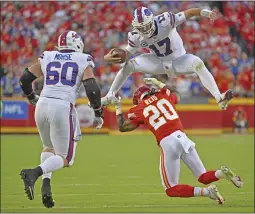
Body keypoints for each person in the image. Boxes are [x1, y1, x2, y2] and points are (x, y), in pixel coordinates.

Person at [110, 77, 243, 204]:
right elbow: (176, 94)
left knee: (171, 189)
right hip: (183, 138)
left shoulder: (139, 107)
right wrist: (160, 83)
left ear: (139, 99)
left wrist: (118, 107)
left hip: (167, 142)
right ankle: (222, 173)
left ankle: (207, 192)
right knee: (203, 176)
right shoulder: (164, 95)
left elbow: (123, 127)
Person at [19, 31, 104, 208]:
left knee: (48, 148)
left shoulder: (48, 56)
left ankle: (46, 185)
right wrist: (97, 111)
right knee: (65, 158)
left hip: (42, 104)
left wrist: (31, 97)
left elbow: (24, 79)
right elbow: (92, 88)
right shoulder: (83, 59)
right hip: (62, 106)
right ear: (78, 45)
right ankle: (34, 173)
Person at [103, 6, 233, 110]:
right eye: (140, 28)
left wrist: (206, 13)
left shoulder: (165, 20)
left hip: (179, 60)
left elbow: (190, 12)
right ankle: (110, 95)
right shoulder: (135, 36)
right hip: (158, 62)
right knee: (129, 65)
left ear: (152, 20)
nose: (144, 30)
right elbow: (127, 54)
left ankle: (218, 97)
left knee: (197, 63)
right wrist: (109, 57)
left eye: (146, 26)